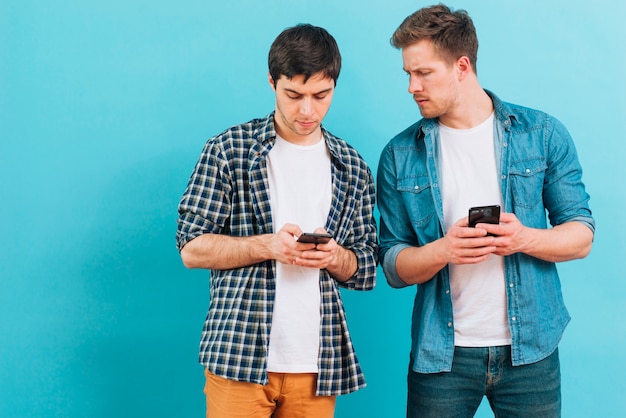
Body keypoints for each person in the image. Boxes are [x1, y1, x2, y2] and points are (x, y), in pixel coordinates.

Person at [377, 4, 594, 417]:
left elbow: (581, 235)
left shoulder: (542, 134)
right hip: (442, 356)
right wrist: (445, 250)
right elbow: (392, 265)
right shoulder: (400, 155)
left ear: (461, 66)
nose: (411, 86)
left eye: (423, 73)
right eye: (408, 74)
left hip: (531, 351)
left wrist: (523, 238)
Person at [176, 23, 377, 418]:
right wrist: (268, 245)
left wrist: (335, 257)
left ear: (335, 85)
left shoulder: (352, 166)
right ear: (272, 82)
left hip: (317, 364)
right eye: (294, 95)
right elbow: (191, 248)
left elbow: (366, 267)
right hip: (239, 357)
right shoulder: (229, 150)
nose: (307, 110)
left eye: (321, 95)